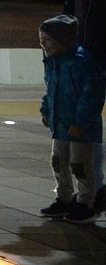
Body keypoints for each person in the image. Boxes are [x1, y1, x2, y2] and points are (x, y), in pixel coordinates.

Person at [38, 14, 103, 222]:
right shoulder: (53, 62)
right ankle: (63, 198)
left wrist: (80, 122)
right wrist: (46, 110)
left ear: (62, 41)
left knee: (80, 164)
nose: (43, 45)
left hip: (80, 127)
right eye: (41, 41)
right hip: (60, 125)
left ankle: (86, 202)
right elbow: (51, 91)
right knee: (58, 162)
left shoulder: (81, 63)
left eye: (47, 41)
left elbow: (91, 96)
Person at [61, 0, 106, 203]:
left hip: (95, 51)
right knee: (88, 125)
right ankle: (95, 187)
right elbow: (71, 3)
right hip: (88, 54)